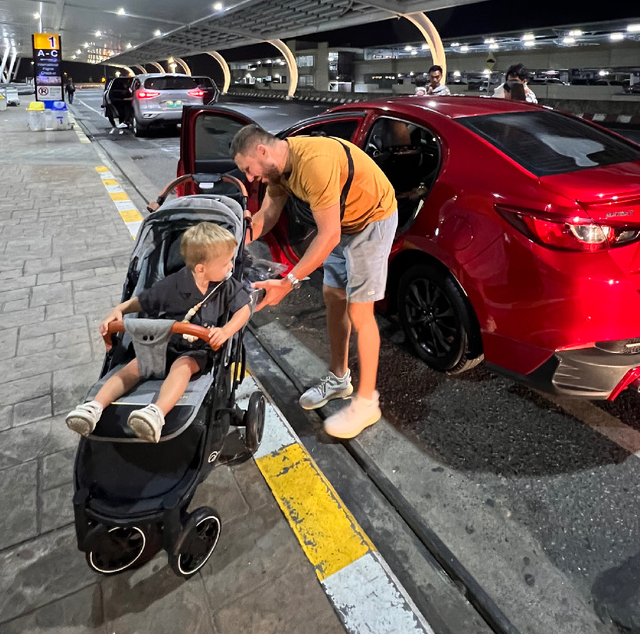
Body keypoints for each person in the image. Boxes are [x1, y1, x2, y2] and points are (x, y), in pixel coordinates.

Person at [231, 124, 397, 440]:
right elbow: (267, 215)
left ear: (262, 151)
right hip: (343, 223)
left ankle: (367, 403)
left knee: (360, 312)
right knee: (333, 296)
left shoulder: (314, 163)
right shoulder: (278, 171)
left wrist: (288, 282)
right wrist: (233, 247)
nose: (250, 178)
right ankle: (339, 379)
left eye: (249, 169)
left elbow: (328, 235)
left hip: (372, 220)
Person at [65, 223, 252, 443]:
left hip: (196, 350)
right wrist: (120, 309)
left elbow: (244, 308)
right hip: (164, 342)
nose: (231, 266)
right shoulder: (174, 284)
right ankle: (94, 407)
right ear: (201, 269)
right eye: (226, 262)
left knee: (182, 368)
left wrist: (225, 330)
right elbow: (144, 301)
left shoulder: (226, 286)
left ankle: (156, 413)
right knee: (133, 367)